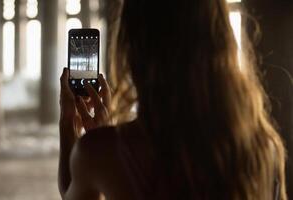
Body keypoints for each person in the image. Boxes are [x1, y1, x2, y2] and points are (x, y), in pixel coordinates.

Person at [58, 0, 287, 199]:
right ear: (221, 40)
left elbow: (72, 192)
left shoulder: (103, 152)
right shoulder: (263, 147)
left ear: (133, 45)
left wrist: (68, 122)